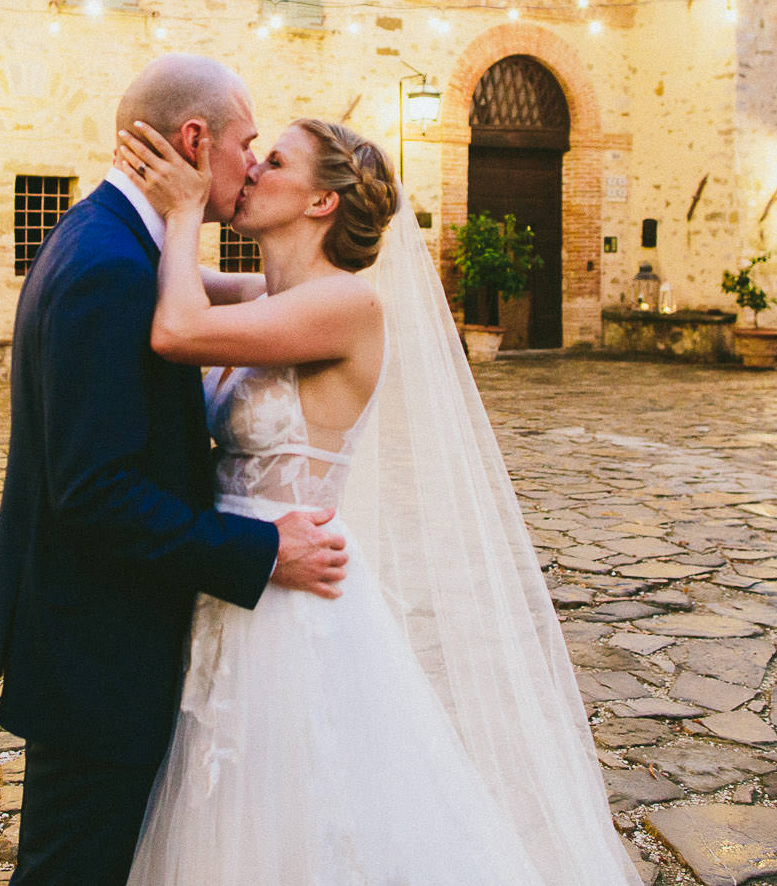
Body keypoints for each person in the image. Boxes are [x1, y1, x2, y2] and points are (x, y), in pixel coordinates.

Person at [116, 115, 645, 885]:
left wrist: (185, 205)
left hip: (292, 604)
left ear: (322, 201)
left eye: (274, 161)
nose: (253, 170)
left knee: (297, 811)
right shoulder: (266, 294)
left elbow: (176, 326)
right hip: (231, 579)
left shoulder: (347, 308)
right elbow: (166, 282)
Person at [0, 55, 351, 886]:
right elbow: (98, 494)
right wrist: (263, 552)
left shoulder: (108, 240)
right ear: (193, 139)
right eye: (248, 143)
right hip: (97, 653)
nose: (252, 163)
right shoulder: (112, 267)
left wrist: (308, 279)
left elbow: (247, 299)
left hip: (104, 639)